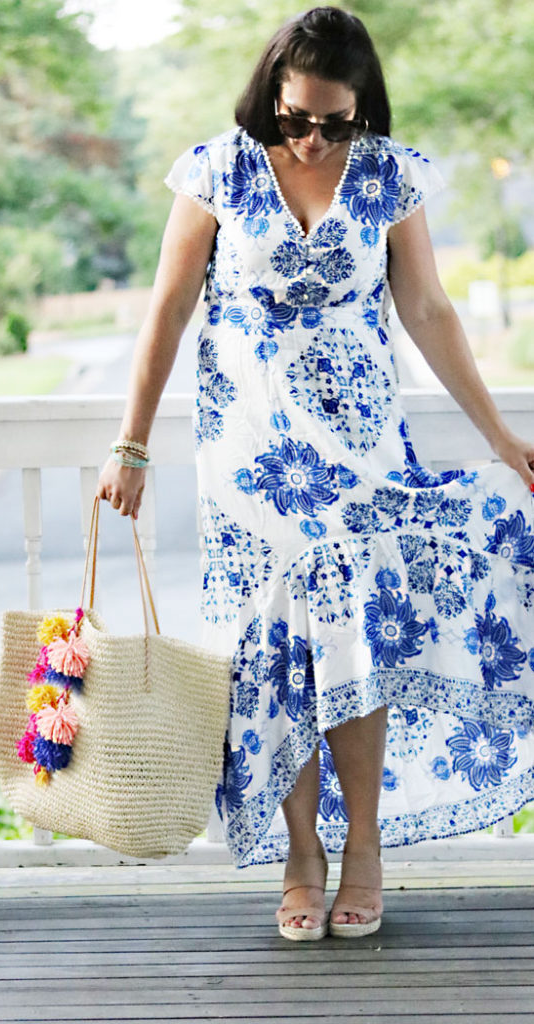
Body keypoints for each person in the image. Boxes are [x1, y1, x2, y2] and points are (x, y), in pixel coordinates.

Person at [97, 6, 534, 941]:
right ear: (270, 94)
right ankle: (302, 854)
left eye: (335, 121)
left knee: (353, 641)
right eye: (297, 117)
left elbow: (425, 306)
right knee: (266, 651)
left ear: (362, 107)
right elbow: (167, 313)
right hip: (249, 456)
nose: (313, 136)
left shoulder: (388, 174)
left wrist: (498, 435)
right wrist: (130, 444)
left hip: (361, 445)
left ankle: (363, 845)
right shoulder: (215, 167)